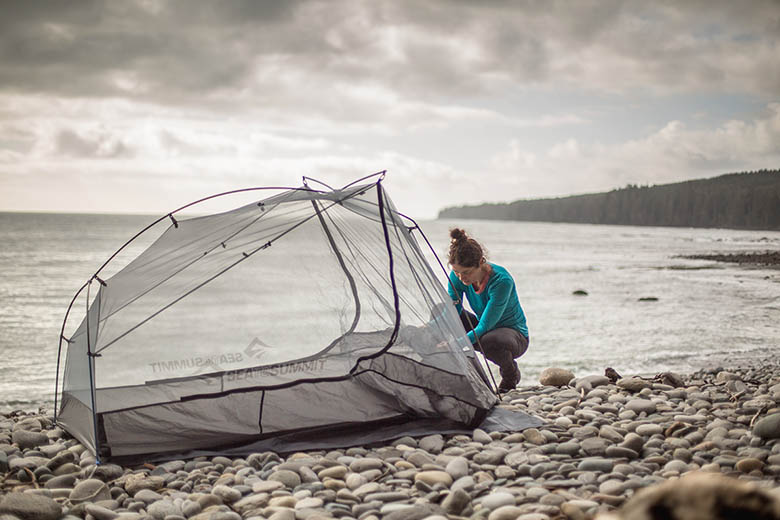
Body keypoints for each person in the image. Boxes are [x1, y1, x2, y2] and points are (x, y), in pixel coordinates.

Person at [447, 228, 529, 392]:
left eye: (467, 273)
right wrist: (431, 328)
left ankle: (510, 375)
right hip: (485, 329)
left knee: (487, 339)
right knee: (440, 311)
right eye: (457, 272)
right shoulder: (457, 276)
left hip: (513, 337)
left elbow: (484, 326)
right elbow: (451, 311)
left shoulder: (501, 281)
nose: (462, 278)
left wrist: (456, 344)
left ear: (481, 262)